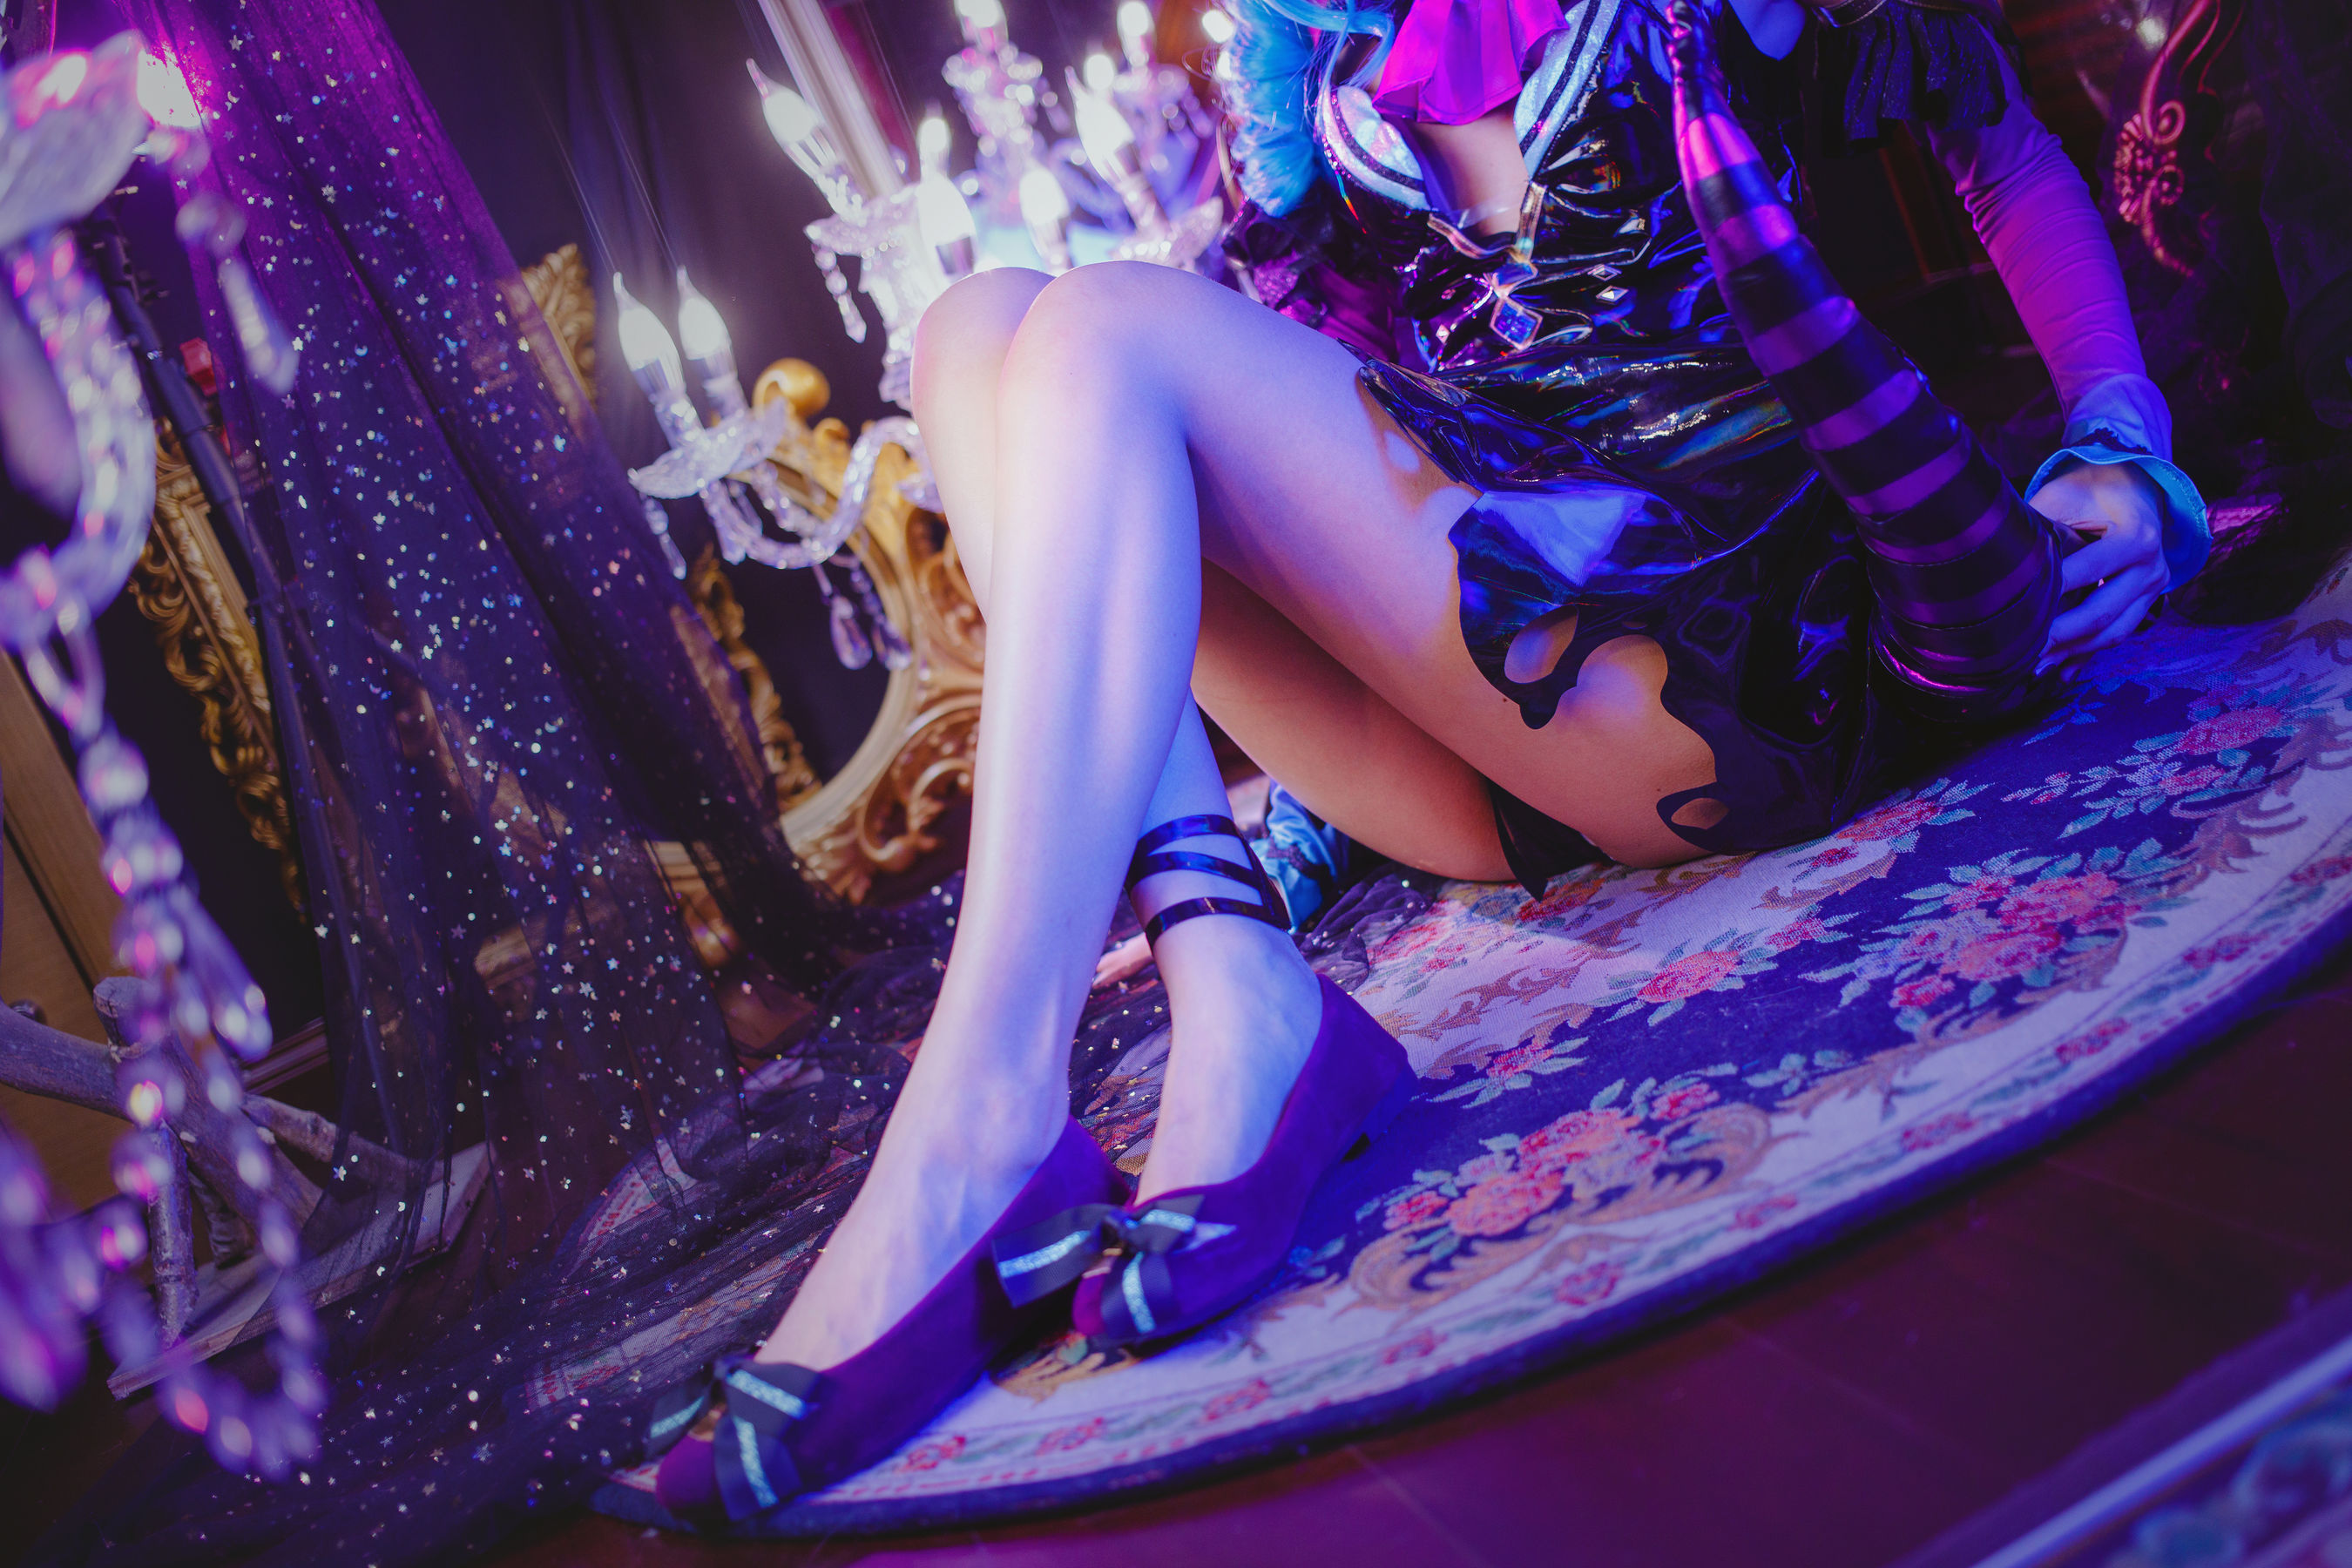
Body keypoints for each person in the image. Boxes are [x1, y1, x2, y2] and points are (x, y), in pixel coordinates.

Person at [647, 0, 2208, 1517]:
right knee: (974, 327)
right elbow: (1360, 462)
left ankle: (981, 1113)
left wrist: (2123, 442)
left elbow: (2000, 150)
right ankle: (1236, 980)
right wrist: (1303, 831)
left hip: (1727, 669)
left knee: (1104, 324)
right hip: (1488, 750)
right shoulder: (1325, 68)